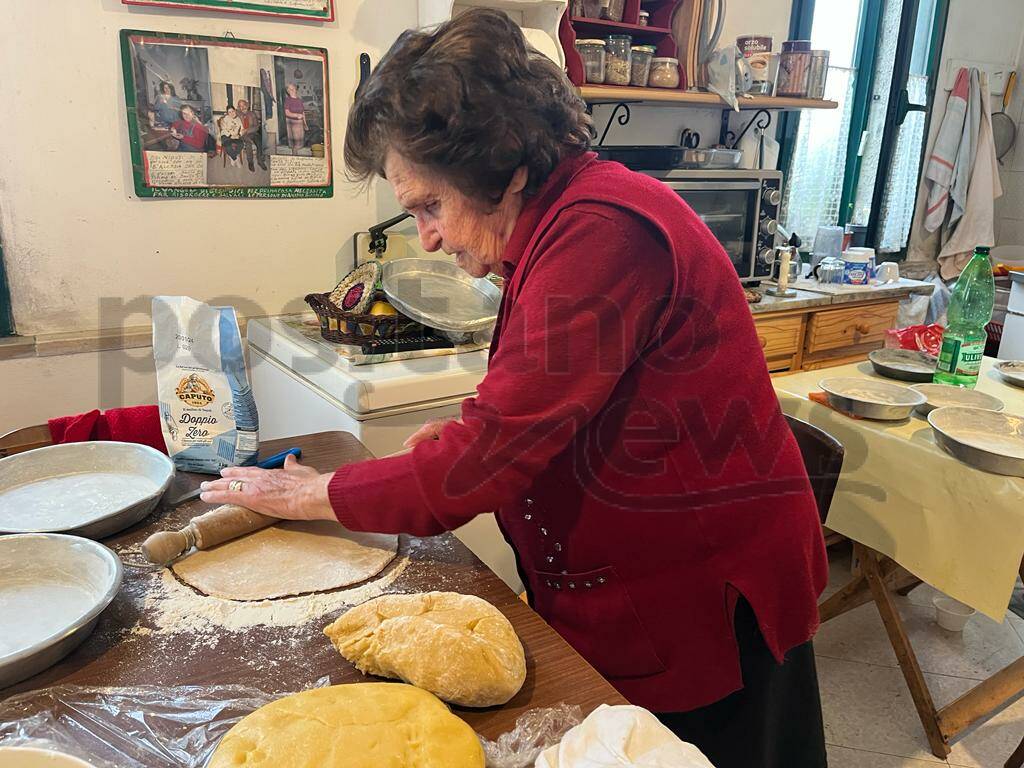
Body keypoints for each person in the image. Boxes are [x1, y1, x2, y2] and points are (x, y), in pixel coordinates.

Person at [199, 10, 828, 768]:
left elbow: (492, 455)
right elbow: (546, 398)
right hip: (639, 581)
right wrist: (469, 434)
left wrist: (315, 495)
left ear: (502, 166)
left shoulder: (603, 230)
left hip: (699, 600)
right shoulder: (557, 223)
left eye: (431, 205)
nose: (425, 235)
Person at [237, 99, 267, 172]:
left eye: (244, 105)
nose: (243, 107)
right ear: (239, 108)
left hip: (252, 132)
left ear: (247, 105)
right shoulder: (237, 114)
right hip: (243, 135)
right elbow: (229, 115)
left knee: (260, 141)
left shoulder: (252, 114)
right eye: (240, 106)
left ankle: (260, 160)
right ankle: (250, 162)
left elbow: (256, 126)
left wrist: (247, 130)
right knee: (248, 143)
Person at [283, 83, 307, 155]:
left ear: (296, 89)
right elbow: (287, 113)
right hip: (292, 123)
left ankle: (296, 155)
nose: (291, 90)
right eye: (289, 89)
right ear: (288, 91)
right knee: (294, 144)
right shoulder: (288, 100)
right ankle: (294, 156)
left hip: (299, 124)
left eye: (293, 88)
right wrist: (296, 115)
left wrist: (305, 123)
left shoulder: (299, 100)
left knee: (299, 143)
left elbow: (303, 113)